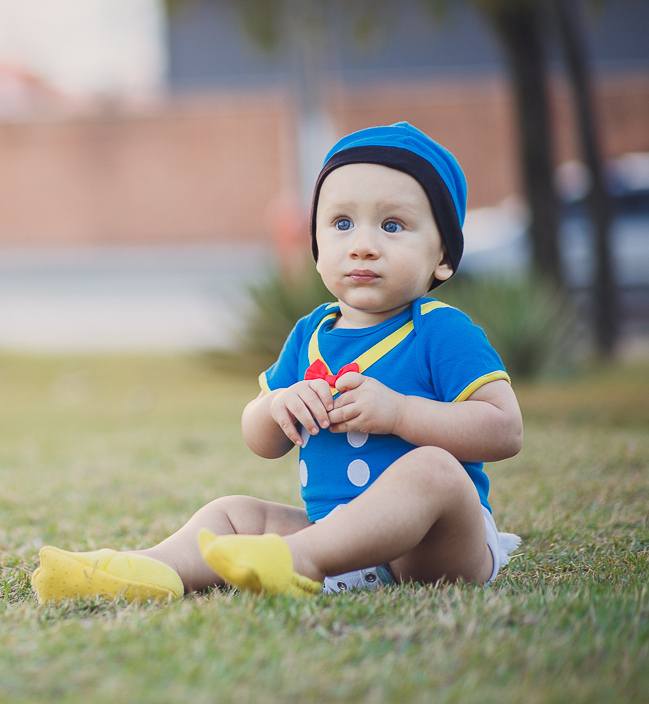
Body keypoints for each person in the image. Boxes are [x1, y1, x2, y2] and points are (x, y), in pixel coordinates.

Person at [31, 122, 523, 602]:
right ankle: (150, 568)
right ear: (316, 246)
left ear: (442, 256)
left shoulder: (439, 329)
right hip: (332, 536)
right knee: (233, 512)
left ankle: (299, 560)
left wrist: (401, 413)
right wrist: (278, 407)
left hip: (436, 549)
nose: (363, 244)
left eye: (392, 225)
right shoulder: (311, 334)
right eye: (341, 223)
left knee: (434, 471)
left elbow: (505, 430)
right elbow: (260, 440)